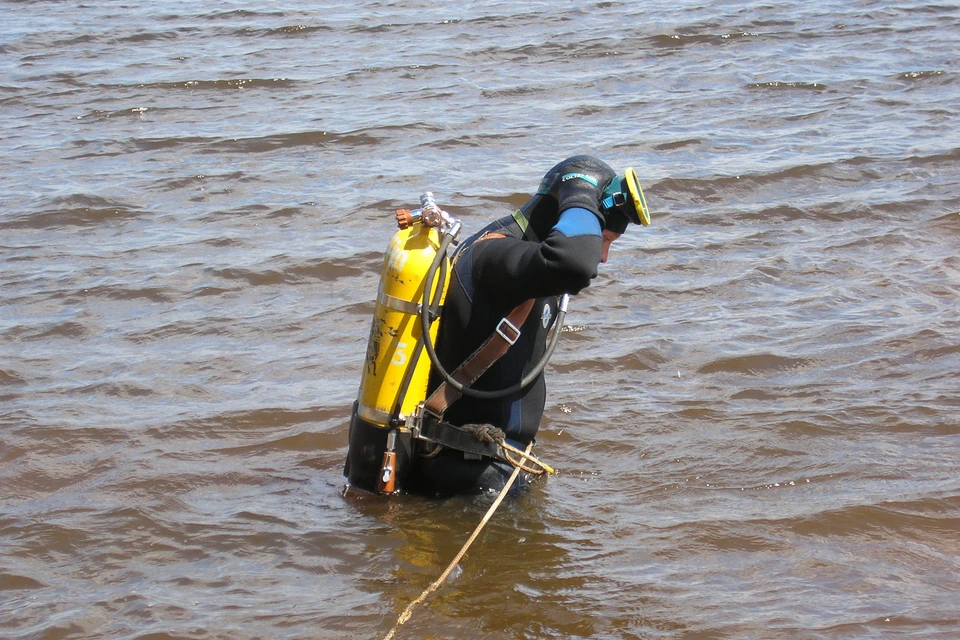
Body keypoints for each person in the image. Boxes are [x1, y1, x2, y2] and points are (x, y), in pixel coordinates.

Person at [404, 155, 650, 496]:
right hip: (467, 483)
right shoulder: (495, 258)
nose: (603, 256)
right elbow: (573, 263)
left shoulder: (522, 258)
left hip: (491, 471)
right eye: (603, 238)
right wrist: (580, 193)